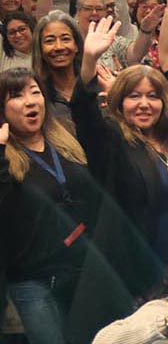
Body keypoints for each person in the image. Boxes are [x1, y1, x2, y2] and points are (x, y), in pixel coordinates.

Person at [71, 16, 168, 333]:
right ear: (119, 102)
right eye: (133, 96)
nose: (144, 104)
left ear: (164, 102)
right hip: (131, 273)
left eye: (152, 96)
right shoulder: (113, 141)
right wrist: (88, 62)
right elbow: (86, 118)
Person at [1, 68, 97, 344]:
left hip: (79, 271)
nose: (31, 102)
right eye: (17, 96)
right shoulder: (5, 157)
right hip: (32, 280)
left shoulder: (64, 140)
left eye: (35, 92)